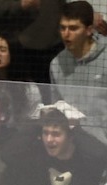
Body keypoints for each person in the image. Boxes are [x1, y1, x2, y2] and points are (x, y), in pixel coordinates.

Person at [51, 0, 107, 143]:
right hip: (73, 146)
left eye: (73, 28)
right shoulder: (57, 64)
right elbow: (57, 108)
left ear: (89, 30)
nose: (66, 34)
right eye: (62, 28)